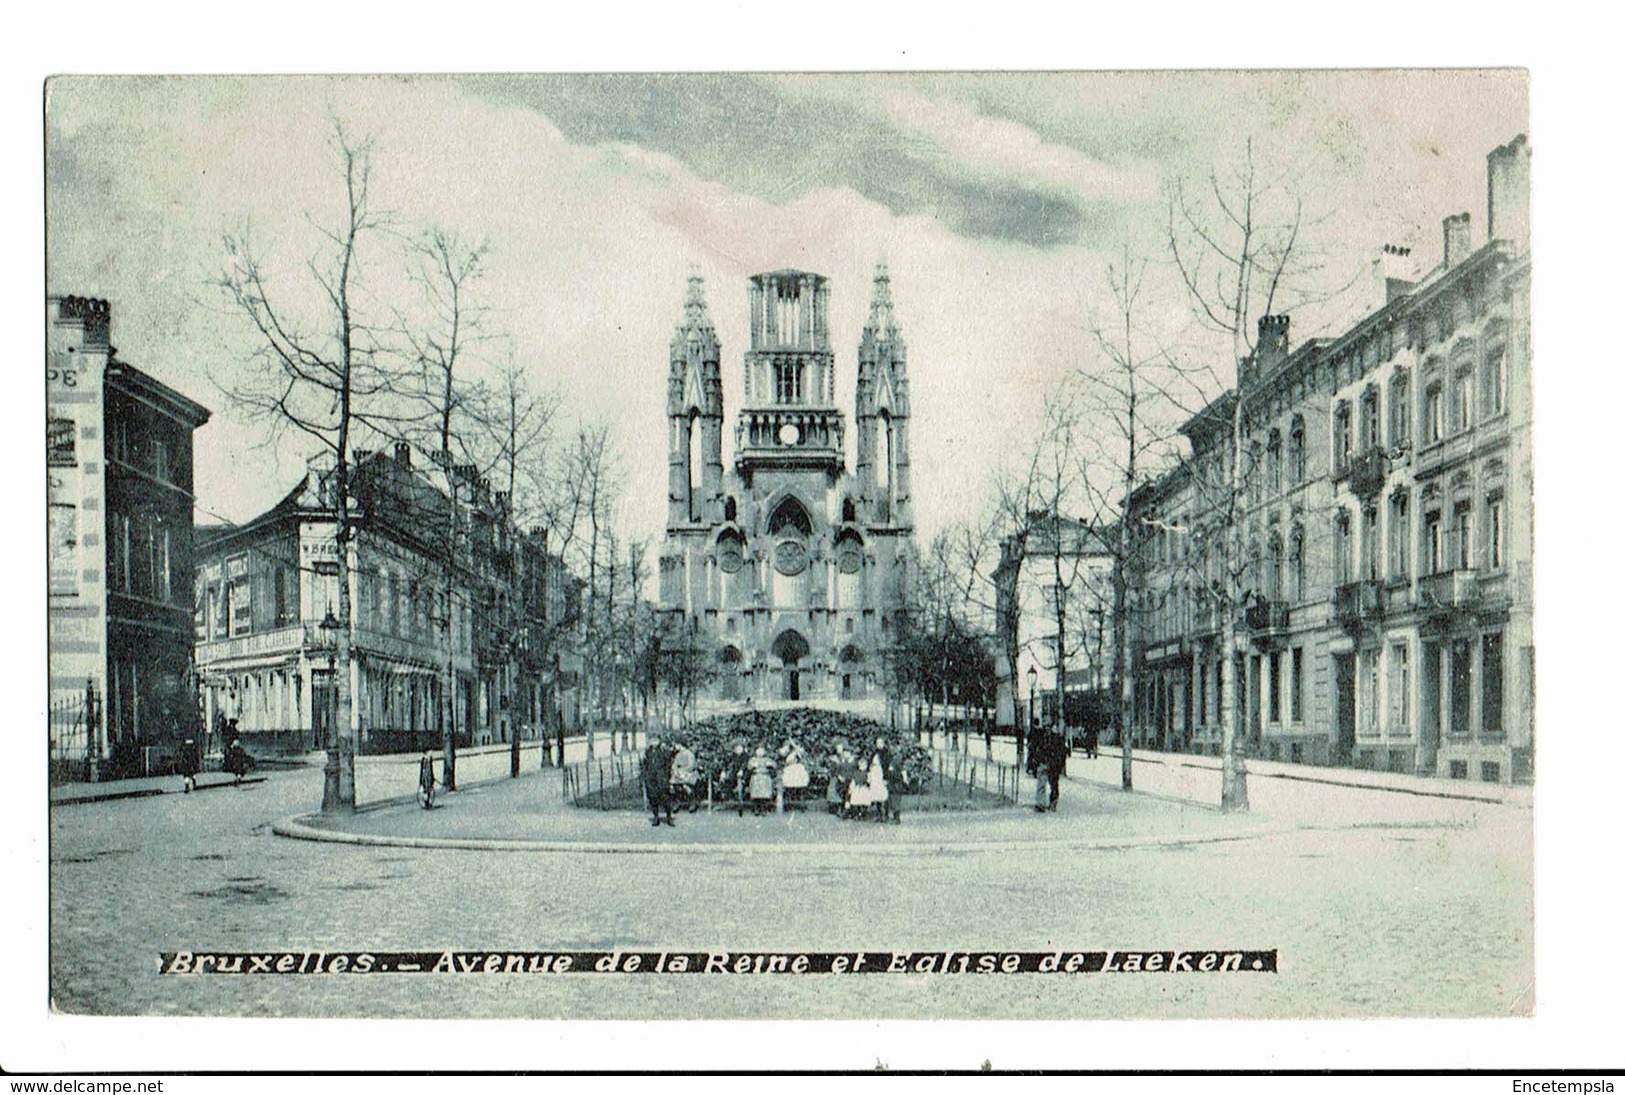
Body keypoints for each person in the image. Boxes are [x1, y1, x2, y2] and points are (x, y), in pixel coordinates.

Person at [642, 737, 675, 827]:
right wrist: (646, 777)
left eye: (656, 740)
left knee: (665, 798)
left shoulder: (663, 750)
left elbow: (668, 763)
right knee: (653, 798)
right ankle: (656, 817)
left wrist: (666, 776)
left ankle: (669, 817)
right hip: (651, 779)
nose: (654, 742)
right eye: (652, 740)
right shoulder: (647, 752)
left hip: (662, 778)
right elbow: (644, 765)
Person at [746, 746, 777, 816]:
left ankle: (764, 809)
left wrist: (770, 764)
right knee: (756, 792)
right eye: (758, 752)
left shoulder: (767, 759)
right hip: (756, 776)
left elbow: (775, 765)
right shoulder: (753, 759)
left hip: (765, 776)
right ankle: (756, 808)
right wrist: (752, 765)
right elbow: (749, 767)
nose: (760, 754)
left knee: (765, 793)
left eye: (761, 752)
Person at [779, 738, 809, 811]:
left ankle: (801, 803)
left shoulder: (798, 750)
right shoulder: (785, 750)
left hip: (798, 768)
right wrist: (788, 747)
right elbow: (784, 756)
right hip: (789, 768)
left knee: (801, 779)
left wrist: (795, 747)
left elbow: (802, 754)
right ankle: (788, 803)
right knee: (788, 781)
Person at [670, 740, 699, 812]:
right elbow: (675, 764)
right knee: (675, 785)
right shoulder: (678, 754)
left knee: (687, 786)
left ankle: (692, 802)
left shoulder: (689, 754)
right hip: (680, 775)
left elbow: (691, 765)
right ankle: (677, 802)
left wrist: (683, 770)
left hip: (689, 774)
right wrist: (675, 770)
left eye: (676, 745)